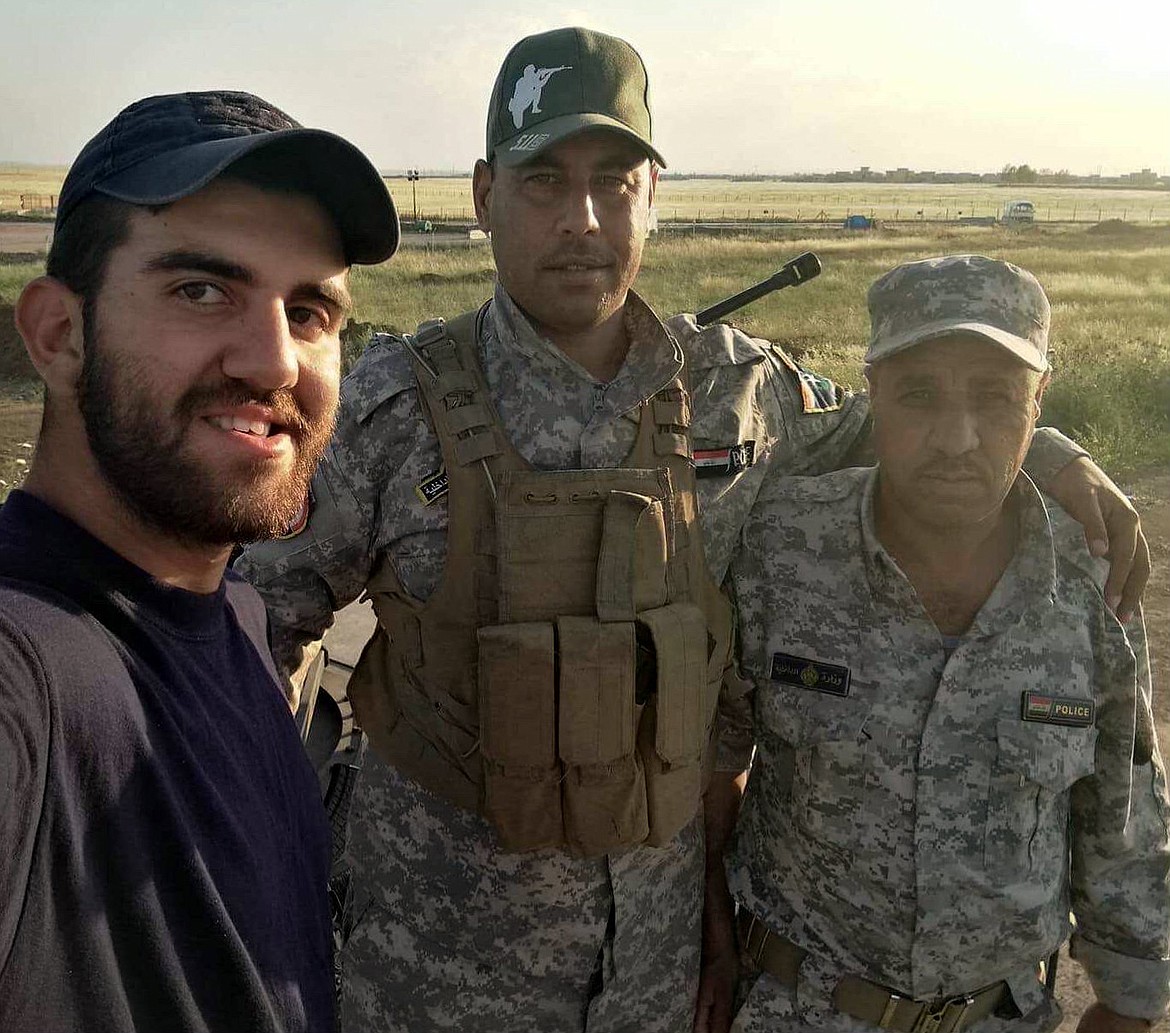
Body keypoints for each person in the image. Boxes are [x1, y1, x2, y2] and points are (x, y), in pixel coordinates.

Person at [237, 29, 1149, 1033]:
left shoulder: (742, 394)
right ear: (484, 196)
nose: (583, 219)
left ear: (653, 194)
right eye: (545, 181)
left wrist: (1055, 451)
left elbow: (913, 418)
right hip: (432, 971)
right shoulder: (387, 407)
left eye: (616, 180)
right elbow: (258, 637)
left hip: (658, 979)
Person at [0, 90, 399, 1032]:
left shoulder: (239, 621)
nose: (273, 363)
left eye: (308, 311)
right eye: (200, 290)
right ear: (59, 334)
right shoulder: (25, 665)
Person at [725, 255, 1169, 1033]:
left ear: (1040, 406)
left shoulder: (1093, 582)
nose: (957, 438)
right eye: (919, 394)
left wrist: (1128, 1009)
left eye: (996, 398)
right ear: (873, 395)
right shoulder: (780, 547)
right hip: (791, 1010)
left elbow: (1123, 821)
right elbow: (704, 767)